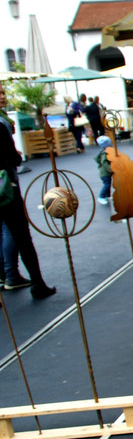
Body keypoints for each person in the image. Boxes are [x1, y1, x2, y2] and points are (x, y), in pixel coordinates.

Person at [0, 83, 55, 298]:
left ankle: (9, 275)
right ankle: (36, 283)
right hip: (6, 190)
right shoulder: (1, 125)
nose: (3, 97)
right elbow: (12, 158)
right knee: (21, 236)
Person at [94, 136, 112, 205]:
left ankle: (108, 196)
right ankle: (101, 197)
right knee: (107, 185)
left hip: (105, 173)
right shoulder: (105, 153)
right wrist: (109, 168)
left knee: (108, 184)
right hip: (105, 173)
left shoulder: (103, 152)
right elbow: (104, 162)